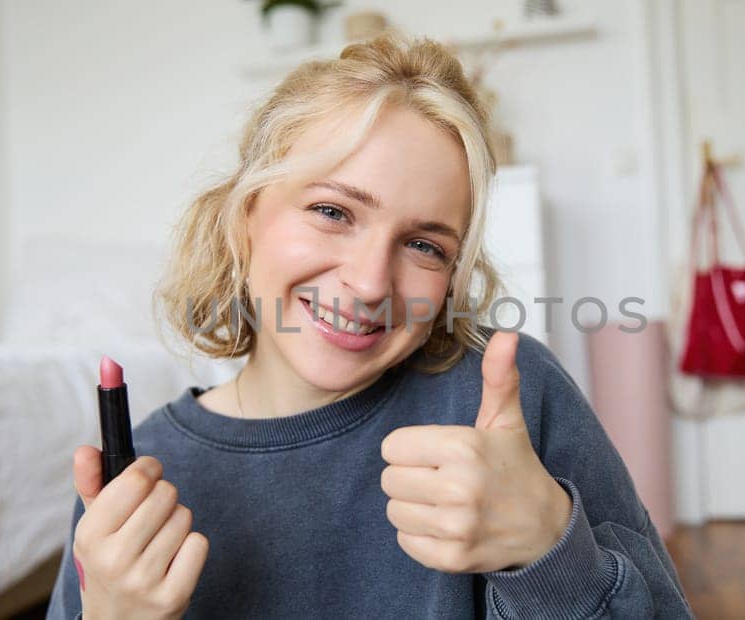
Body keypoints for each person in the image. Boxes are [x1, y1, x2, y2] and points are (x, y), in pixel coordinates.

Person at [46, 34, 693, 619]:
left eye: (425, 246)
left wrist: (551, 551)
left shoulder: (509, 403)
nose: (370, 282)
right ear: (244, 217)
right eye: (332, 210)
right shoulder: (134, 485)